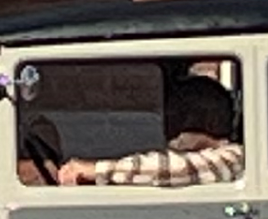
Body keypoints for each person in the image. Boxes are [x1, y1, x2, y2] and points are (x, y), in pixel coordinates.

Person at [53, 74, 243, 188]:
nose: (168, 127)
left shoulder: (233, 157)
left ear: (208, 120)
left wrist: (93, 170)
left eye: (178, 117)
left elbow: (173, 169)